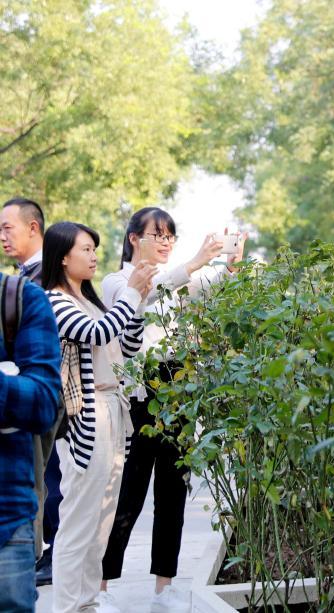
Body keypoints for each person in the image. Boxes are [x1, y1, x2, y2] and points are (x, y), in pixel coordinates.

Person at [99, 207, 245, 613]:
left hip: (180, 383)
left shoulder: (183, 277)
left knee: (173, 489)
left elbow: (211, 286)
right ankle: (101, 586)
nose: (165, 243)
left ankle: (164, 588)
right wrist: (194, 262)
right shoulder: (117, 281)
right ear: (134, 238)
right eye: (157, 235)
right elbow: (150, 294)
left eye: (170, 236)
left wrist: (230, 265)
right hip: (140, 391)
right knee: (128, 492)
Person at [42, 222, 156, 613]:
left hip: (112, 408)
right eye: (86, 249)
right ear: (63, 257)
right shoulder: (54, 300)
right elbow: (97, 333)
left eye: (94, 249)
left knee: (102, 520)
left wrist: (138, 303)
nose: (93, 256)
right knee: (78, 520)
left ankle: (87, 602)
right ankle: (67, 606)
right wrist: (131, 293)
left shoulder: (89, 300)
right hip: (86, 416)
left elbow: (127, 345)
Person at [0, 197, 61, 587]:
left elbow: (43, 397)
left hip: (9, 510)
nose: (3, 237)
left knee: (52, 487)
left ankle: (50, 555)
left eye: (8, 228)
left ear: (33, 227)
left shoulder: (29, 290)